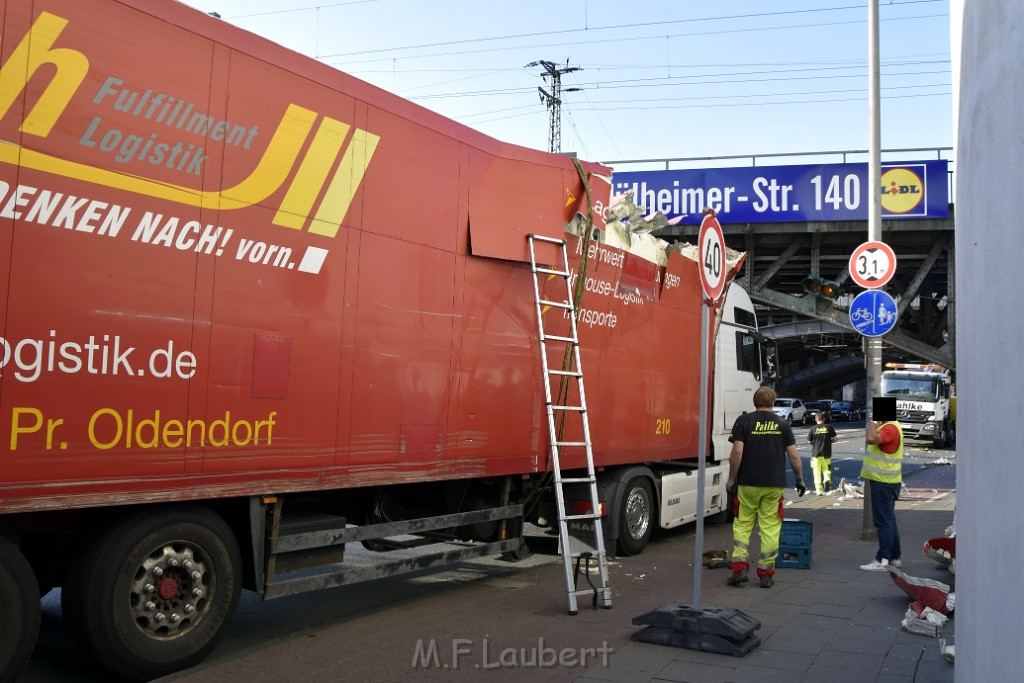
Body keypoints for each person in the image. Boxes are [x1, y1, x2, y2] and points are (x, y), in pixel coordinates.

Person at [726, 385, 806, 588]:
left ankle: (740, 567)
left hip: (748, 484)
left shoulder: (744, 421)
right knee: (770, 528)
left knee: (743, 524)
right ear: (772, 403)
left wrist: (731, 479)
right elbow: (794, 456)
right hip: (773, 484)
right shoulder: (782, 424)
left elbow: (737, 453)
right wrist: (799, 479)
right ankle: (766, 574)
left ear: (755, 402)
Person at [859, 396, 905, 571]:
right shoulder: (892, 426)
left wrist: (871, 421)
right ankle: (895, 556)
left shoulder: (890, 428)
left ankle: (882, 559)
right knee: (889, 520)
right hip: (888, 481)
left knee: (883, 522)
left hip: (883, 482)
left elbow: (871, 439)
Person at [807, 412, 838, 495]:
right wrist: (829, 441)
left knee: (816, 473)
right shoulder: (829, 427)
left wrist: (814, 444)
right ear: (824, 419)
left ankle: (819, 491)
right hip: (827, 453)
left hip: (816, 454)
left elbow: (809, 441)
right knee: (826, 469)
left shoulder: (812, 429)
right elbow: (835, 439)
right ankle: (826, 483)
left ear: (816, 420)